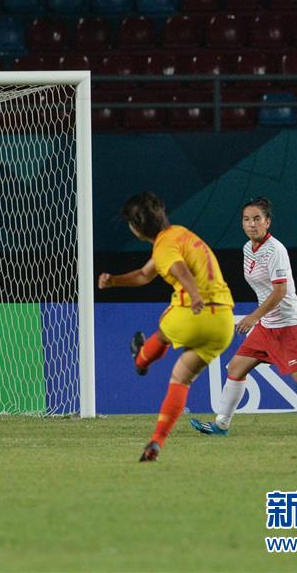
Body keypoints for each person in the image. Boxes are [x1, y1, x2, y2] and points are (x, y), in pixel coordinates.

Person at [188, 198, 297, 437]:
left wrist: (253, 317)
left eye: (257, 219)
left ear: (267, 222)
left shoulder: (275, 250)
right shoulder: (248, 249)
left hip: (289, 324)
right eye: (247, 219)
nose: (251, 224)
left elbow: (280, 291)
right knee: (236, 367)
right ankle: (221, 425)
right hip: (268, 325)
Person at [98, 192, 234, 462]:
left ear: (136, 228)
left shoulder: (163, 248)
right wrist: (114, 280)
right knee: (181, 377)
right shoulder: (180, 235)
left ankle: (141, 358)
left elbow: (179, 268)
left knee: (164, 328)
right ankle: (156, 441)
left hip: (193, 312)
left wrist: (194, 294)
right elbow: (143, 275)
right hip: (223, 322)